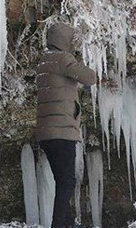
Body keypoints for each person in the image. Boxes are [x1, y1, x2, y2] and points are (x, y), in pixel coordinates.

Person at [35, 22, 97, 228]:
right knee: (67, 182)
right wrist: (79, 58)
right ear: (65, 40)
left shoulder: (43, 62)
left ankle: (68, 223)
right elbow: (90, 77)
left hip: (45, 133)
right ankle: (58, 225)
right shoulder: (62, 59)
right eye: (72, 40)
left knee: (62, 181)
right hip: (62, 131)